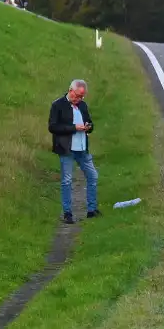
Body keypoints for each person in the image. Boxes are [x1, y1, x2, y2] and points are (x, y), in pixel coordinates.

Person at [48, 79, 99, 224]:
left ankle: (92, 209)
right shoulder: (57, 105)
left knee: (93, 176)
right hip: (67, 149)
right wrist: (73, 128)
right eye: (77, 96)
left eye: (82, 97)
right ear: (71, 90)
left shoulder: (83, 105)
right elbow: (52, 127)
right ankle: (67, 213)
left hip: (83, 148)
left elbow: (90, 122)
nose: (79, 99)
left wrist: (89, 126)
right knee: (67, 181)